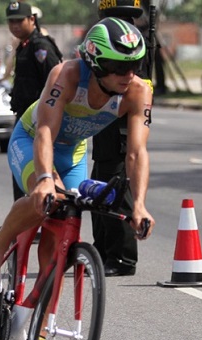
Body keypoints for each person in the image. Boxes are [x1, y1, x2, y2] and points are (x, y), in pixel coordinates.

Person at [0, 17, 155, 340]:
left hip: (71, 154)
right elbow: (44, 129)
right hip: (31, 141)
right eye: (118, 67)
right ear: (93, 62)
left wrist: (138, 205)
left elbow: (136, 153)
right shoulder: (67, 74)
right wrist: (43, 178)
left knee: (58, 250)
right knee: (47, 196)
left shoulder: (138, 90)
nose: (127, 75)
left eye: (133, 66)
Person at [90, 0, 151, 277]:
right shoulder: (126, 36)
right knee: (98, 189)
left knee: (117, 192)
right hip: (106, 124)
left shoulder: (130, 41)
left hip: (121, 124)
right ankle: (101, 251)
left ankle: (122, 258)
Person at [0, 1, 63, 202]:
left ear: (31, 20)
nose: (14, 26)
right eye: (11, 22)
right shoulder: (24, 46)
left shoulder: (40, 46)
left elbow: (56, 83)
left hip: (38, 120)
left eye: (19, 21)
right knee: (22, 171)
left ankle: (33, 224)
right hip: (24, 116)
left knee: (35, 171)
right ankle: (25, 226)